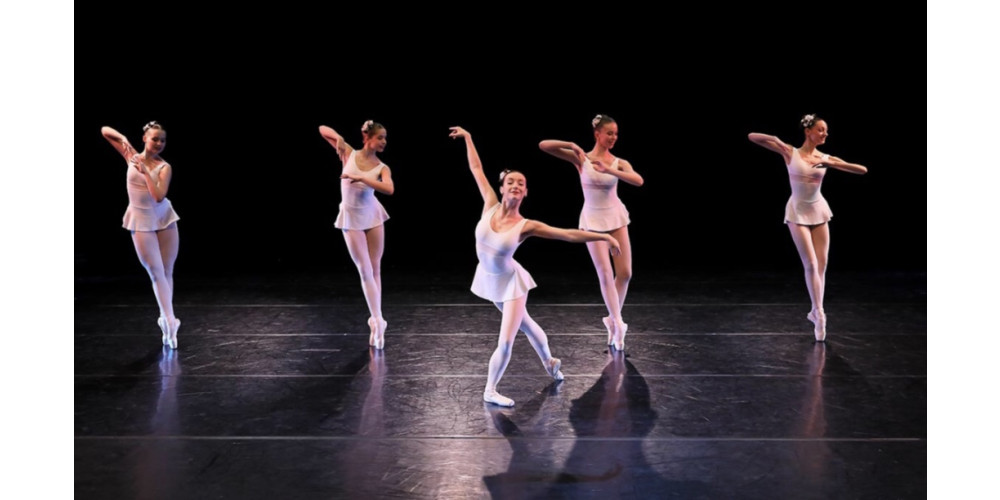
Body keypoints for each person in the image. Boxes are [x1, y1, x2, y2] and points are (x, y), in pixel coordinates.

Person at [450, 126, 622, 407]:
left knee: (506, 340)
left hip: (511, 285)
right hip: (489, 279)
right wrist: (469, 138)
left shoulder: (525, 226)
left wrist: (602, 235)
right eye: (511, 182)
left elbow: (568, 234)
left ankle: (490, 389)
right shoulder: (489, 205)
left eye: (521, 184)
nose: (516, 186)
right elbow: (476, 168)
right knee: (527, 325)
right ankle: (550, 362)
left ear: (526, 192)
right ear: (502, 187)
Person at [748, 114, 868, 341]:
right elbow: (752, 136)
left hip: (819, 210)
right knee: (811, 264)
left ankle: (815, 310)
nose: (825, 134)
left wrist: (831, 163)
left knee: (821, 266)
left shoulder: (825, 157)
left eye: (826, 131)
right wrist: (775, 138)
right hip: (797, 212)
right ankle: (820, 313)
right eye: (821, 130)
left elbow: (862, 170)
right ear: (808, 131)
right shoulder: (790, 152)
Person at [538, 114, 643, 350]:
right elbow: (544, 145)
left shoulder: (618, 161)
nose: (614, 137)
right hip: (592, 220)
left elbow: (638, 180)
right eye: (609, 133)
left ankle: (612, 318)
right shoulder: (581, 159)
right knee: (605, 273)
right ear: (597, 134)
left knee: (624, 273)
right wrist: (572, 145)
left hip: (615, 218)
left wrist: (611, 170)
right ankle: (617, 323)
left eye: (616, 134)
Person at [101, 121, 181, 349]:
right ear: (145, 137)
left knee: (167, 271)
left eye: (162, 140)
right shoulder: (131, 156)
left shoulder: (164, 167)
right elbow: (105, 130)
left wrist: (146, 171)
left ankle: (169, 322)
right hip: (141, 219)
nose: (159, 144)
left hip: (164, 218)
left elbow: (158, 195)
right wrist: (125, 140)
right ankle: (169, 321)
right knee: (156, 273)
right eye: (155, 138)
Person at [319, 120, 395, 349]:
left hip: (372, 216)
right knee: (364, 270)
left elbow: (389, 189)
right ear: (367, 138)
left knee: (375, 268)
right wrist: (339, 137)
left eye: (385, 138)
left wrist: (363, 178)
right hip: (351, 218)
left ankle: (377, 319)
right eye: (380, 137)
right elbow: (322, 129)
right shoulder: (348, 154)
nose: (384, 142)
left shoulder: (382, 167)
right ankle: (378, 320)